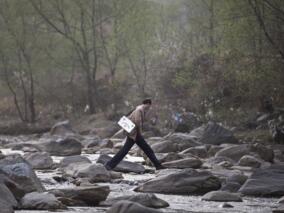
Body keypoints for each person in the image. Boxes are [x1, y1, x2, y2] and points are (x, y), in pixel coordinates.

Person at [105, 98, 165, 170]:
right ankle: (158, 165)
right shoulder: (139, 109)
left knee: (126, 150)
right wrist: (140, 132)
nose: (149, 107)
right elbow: (137, 121)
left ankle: (110, 165)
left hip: (133, 133)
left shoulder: (140, 109)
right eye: (149, 106)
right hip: (135, 133)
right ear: (148, 104)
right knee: (147, 150)